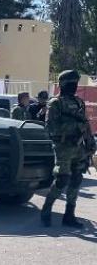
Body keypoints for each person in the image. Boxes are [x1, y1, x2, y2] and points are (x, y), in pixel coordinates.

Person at [41, 70, 96, 227]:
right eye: (71, 84)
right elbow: (50, 128)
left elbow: (85, 125)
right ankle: (46, 210)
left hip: (79, 147)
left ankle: (69, 215)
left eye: (75, 84)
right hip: (63, 147)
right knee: (62, 179)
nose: (74, 86)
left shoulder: (79, 102)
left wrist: (90, 143)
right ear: (63, 85)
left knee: (77, 178)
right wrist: (74, 125)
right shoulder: (55, 103)